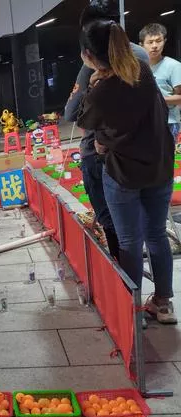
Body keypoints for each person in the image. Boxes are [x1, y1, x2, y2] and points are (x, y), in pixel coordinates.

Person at [77, 19, 176, 324]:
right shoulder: (143, 71)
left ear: (89, 56)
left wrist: (103, 141)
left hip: (123, 174)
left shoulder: (101, 91)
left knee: (129, 241)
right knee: (156, 234)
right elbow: (158, 113)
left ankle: (133, 312)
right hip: (159, 167)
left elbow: (83, 122)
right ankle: (163, 304)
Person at [65, 0, 149, 261]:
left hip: (101, 154)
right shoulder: (141, 56)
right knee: (145, 226)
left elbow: (72, 113)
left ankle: (122, 279)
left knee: (113, 223)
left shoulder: (93, 60)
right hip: (140, 151)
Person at [140, 23, 181, 139]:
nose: (155, 46)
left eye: (158, 41)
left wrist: (156, 100)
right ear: (141, 45)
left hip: (168, 122)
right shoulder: (138, 67)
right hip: (144, 122)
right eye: (150, 42)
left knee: (166, 152)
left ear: (164, 41)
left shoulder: (174, 66)